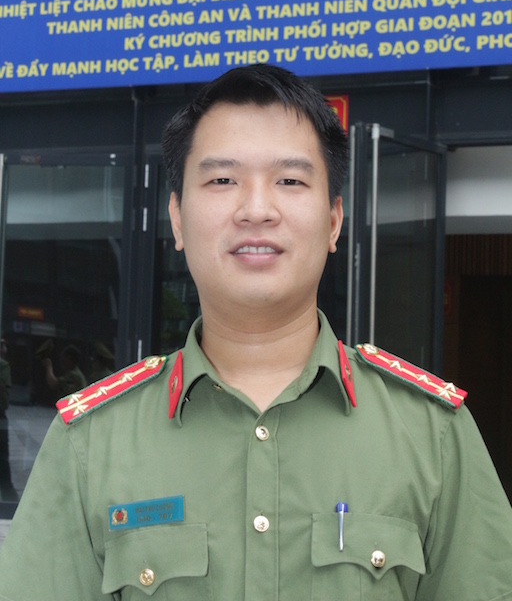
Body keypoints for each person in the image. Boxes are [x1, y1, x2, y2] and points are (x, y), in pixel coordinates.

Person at [0, 63, 511, 599]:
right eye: (222, 180)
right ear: (177, 218)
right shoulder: (90, 444)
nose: (257, 210)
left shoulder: (432, 435)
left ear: (333, 220)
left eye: (290, 180)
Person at [0, 338, 17, 502]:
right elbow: (3, 387)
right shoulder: (3, 364)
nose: (5, 348)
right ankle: (8, 493)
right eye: (3, 345)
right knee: (2, 455)